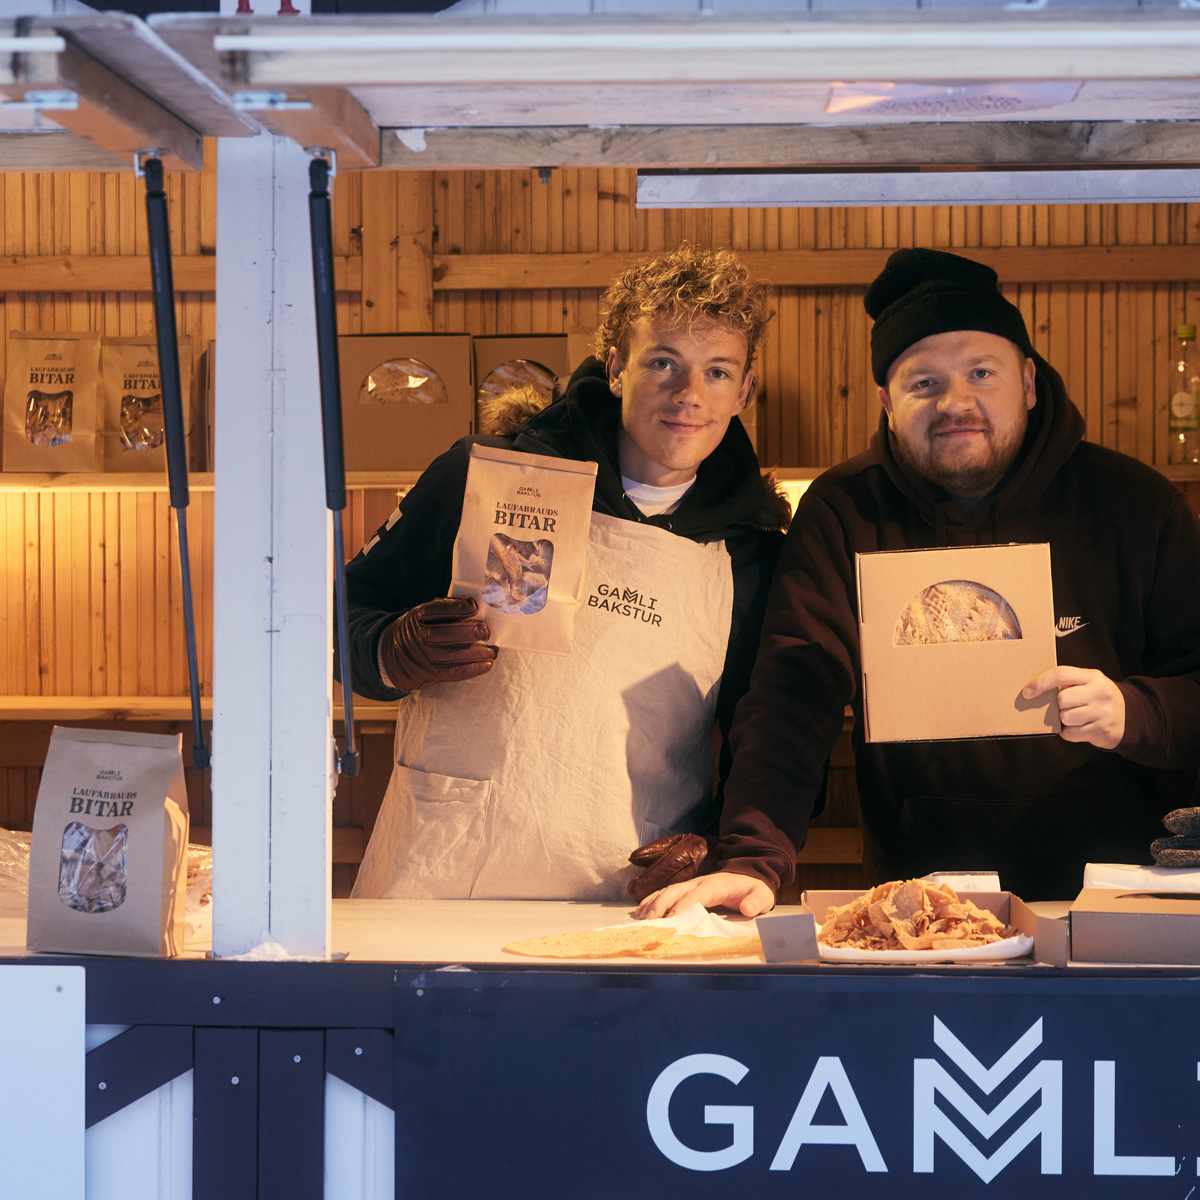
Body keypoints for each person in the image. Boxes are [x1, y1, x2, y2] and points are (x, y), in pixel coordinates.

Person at [637, 247, 1200, 914]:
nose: (955, 402)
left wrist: (1134, 712)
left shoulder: (1135, 505)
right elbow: (793, 693)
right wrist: (755, 859)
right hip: (919, 897)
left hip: (1119, 895)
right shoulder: (845, 511)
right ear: (887, 401)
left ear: (1027, 381)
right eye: (923, 382)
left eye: (981, 373)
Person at [344, 245, 790, 901]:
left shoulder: (751, 555)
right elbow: (338, 617)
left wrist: (720, 846)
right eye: (662, 362)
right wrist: (389, 650)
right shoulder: (482, 477)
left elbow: (767, 741)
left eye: (717, 372)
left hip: (631, 899)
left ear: (744, 391)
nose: (689, 395)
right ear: (616, 369)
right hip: (438, 877)